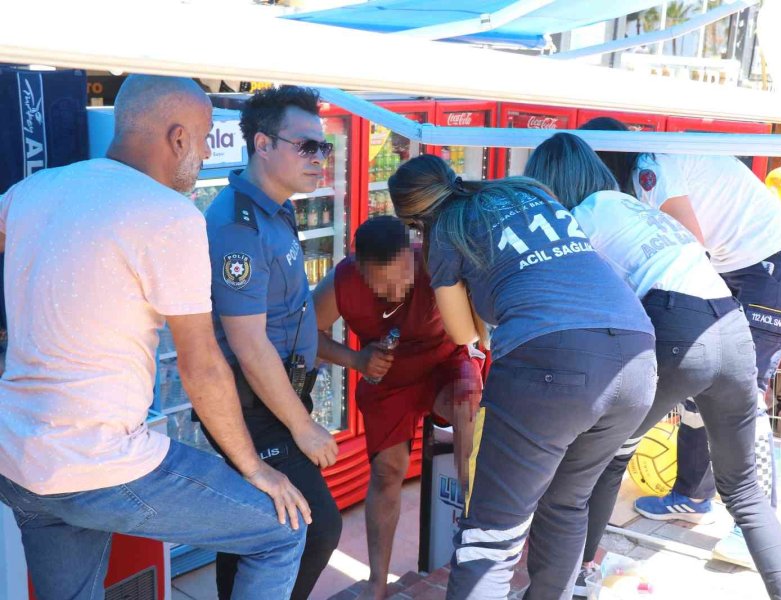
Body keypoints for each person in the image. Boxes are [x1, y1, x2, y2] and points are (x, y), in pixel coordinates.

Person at [0, 75, 311, 600]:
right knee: (280, 531)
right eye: (207, 134)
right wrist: (253, 468)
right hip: (100, 461)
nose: (208, 148)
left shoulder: (36, 188)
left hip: (18, 459)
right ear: (178, 138)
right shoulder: (169, 216)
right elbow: (201, 364)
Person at [525, 132, 781, 600]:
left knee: (592, 471)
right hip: (731, 327)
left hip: (684, 332)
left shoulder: (582, 218)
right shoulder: (635, 206)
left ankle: (574, 583)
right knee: (745, 495)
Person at [388, 154, 657, 599]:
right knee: (567, 505)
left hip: (551, 362)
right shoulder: (524, 191)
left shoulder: (447, 232)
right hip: (636, 356)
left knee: (491, 537)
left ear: (414, 219)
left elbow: (462, 332)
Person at [203, 85, 342, 600]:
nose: (319, 158)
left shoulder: (276, 210)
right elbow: (248, 343)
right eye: (307, 146)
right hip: (252, 407)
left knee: (250, 528)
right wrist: (302, 427)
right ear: (263, 144)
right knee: (314, 526)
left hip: (277, 397)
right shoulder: (238, 227)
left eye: (323, 148)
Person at [313, 215, 483, 600]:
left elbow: (481, 320)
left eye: (402, 277)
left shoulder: (438, 262)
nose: (395, 290)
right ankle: (377, 581)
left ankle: (481, 537)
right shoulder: (343, 281)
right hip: (388, 379)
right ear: (360, 270)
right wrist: (356, 360)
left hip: (444, 364)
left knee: (468, 408)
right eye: (382, 283)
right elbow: (306, 331)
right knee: (388, 472)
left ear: (413, 255)